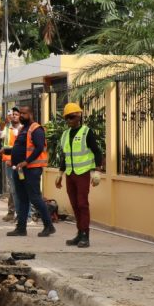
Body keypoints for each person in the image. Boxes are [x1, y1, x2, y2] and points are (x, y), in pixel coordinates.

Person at [54, 102, 105, 248]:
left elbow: (97, 151)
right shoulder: (65, 134)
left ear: (78, 116)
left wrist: (97, 171)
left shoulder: (86, 132)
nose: (69, 120)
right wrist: (60, 173)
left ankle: (85, 236)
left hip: (82, 174)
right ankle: (79, 232)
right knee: (74, 205)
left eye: (71, 117)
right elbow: (65, 155)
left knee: (82, 204)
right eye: (66, 118)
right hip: (70, 174)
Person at [5, 106, 56, 237]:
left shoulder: (36, 129)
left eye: (24, 113)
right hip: (20, 169)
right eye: (20, 113)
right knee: (22, 199)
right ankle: (21, 228)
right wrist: (4, 152)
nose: (21, 115)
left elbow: (39, 148)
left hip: (31, 170)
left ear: (31, 114)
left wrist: (26, 162)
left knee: (35, 198)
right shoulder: (23, 129)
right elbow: (20, 148)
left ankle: (49, 226)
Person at [0, 108, 21, 222]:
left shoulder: (23, 129)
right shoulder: (7, 128)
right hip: (9, 162)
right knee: (13, 188)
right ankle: (12, 212)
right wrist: (4, 123)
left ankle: (20, 213)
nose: (14, 116)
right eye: (12, 114)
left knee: (19, 188)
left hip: (21, 163)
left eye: (16, 114)